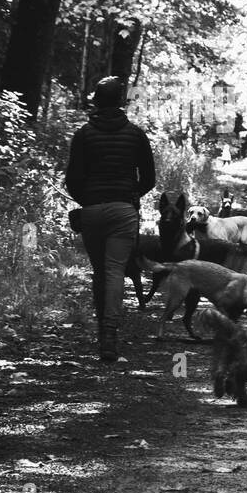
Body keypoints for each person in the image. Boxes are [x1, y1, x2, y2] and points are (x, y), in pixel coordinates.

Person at [65, 76, 156, 362]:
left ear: (96, 101)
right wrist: (130, 197)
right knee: (115, 270)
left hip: (91, 211)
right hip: (123, 211)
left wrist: (87, 200)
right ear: (120, 102)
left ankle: (102, 332)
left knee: (100, 270)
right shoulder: (136, 134)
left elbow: (72, 180)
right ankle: (110, 336)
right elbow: (149, 179)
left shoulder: (83, 135)